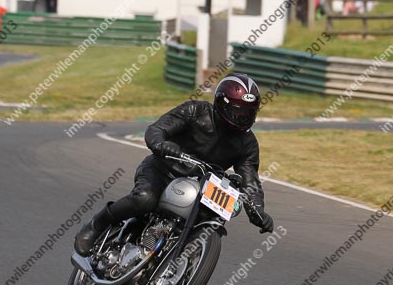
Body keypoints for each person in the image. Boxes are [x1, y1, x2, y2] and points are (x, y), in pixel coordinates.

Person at [74, 73, 274, 256]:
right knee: (145, 199)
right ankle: (97, 224)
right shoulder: (196, 111)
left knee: (208, 219)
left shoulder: (248, 143)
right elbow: (157, 130)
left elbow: (251, 182)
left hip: (203, 187)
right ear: (222, 104)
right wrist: (163, 145)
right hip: (164, 170)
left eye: (249, 113)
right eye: (238, 112)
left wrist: (258, 210)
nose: (243, 118)